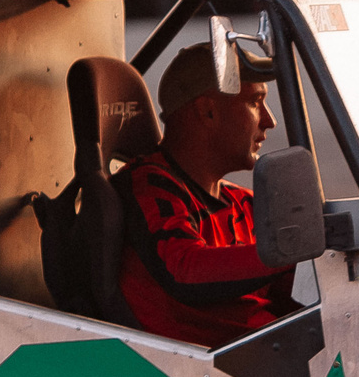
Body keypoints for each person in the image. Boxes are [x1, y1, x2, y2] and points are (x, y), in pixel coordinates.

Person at [118, 40, 300, 347]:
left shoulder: (243, 204)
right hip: (204, 374)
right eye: (255, 102)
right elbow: (184, 270)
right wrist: (290, 250)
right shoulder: (148, 187)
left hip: (269, 355)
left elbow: (294, 286)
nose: (269, 121)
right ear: (208, 112)